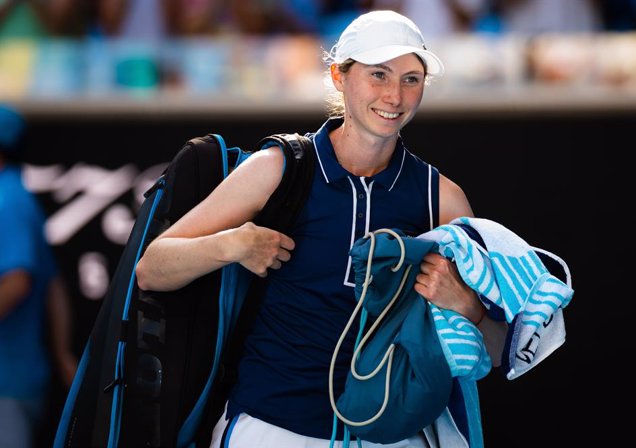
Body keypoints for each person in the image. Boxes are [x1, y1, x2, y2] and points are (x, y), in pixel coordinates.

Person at [135, 10, 507, 447]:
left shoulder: (441, 197)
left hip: (390, 436)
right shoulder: (278, 167)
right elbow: (151, 268)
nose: (395, 95)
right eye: (379, 75)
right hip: (270, 428)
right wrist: (233, 245)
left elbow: (498, 350)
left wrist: (466, 305)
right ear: (338, 77)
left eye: (412, 79)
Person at [0, 104, 77, 448]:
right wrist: (62, 354)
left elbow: (18, 282)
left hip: (7, 384)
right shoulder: (16, 196)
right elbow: (54, 286)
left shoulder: (8, 200)